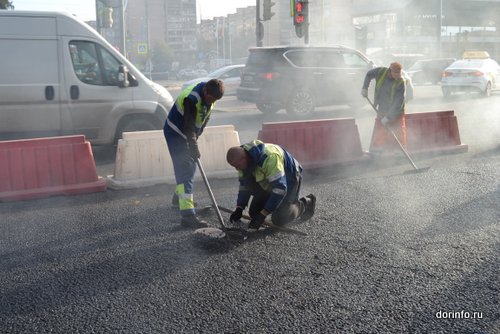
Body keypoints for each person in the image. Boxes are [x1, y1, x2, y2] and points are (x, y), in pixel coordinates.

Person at [164, 78, 224, 228]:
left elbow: (203, 121)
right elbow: (188, 127)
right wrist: (193, 146)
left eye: (214, 100)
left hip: (187, 134)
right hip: (175, 132)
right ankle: (188, 216)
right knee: (185, 170)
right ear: (205, 92)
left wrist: (195, 140)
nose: (211, 102)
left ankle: (178, 199)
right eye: (210, 98)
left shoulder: (212, 97)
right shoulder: (191, 99)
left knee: (189, 167)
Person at [226, 140, 316, 230]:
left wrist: (263, 214)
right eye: (234, 166)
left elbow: (280, 188)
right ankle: (275, 206)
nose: (237, 168)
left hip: (289, 178)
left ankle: (305, 203)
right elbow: (244, 186)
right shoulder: (243, 160)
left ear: (244, 157)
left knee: (279, 219)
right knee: (254, 213)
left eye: (237, 165)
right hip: (269, 182)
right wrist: (239, 208)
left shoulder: (269, 158)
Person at [361, 62, 407, 154]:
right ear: (390, 71)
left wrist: (388, 117)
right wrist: (365, 88)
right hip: (382, 108)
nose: (398, 76)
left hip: (396, 112)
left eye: (399, 74)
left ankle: (400, 152)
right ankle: (376, 150)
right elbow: (369, 74)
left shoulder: (401, 82)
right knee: (380, 128)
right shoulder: (381, 71)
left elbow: (398, 103)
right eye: (396, 74)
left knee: (398, 130)